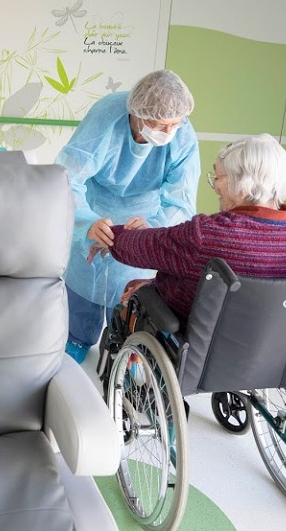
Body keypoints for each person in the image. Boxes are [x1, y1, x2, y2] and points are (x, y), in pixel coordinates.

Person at [55, 69, 200, 364]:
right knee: (85, 281)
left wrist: (155, 229)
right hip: (95, 207)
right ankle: (76, 338)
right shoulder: (107, 117)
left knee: (132, 293)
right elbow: (66, 178)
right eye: (159, 125)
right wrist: (85, 221)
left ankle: (131, 348)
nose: (168, 132)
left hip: (144, 218)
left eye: (174, 125)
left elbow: (181, 199)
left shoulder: (182, 134)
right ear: (137, 113)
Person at [87, 134, 286, 321]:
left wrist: (110, 235)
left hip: (200, 333)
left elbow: (145, 247)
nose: (215, 185)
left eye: (218, 176)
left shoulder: (208, 235)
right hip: (261, 337)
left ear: (243, 186)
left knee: (135, 289)